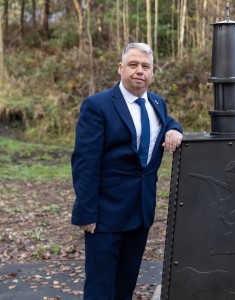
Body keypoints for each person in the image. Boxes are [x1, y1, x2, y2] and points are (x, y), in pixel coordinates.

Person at [71, 42, 183, 299]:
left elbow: (167, 122)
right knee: (100, 289)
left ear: (152, 73)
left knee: (125, 287)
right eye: (133, 65)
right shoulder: (97, 106)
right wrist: (86, 213)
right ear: (120, 68)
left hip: (141, 212)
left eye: (145, 66)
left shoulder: (157, 103)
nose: (139, 71)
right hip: (105, 214)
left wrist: (174, 129)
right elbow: (85, 163)